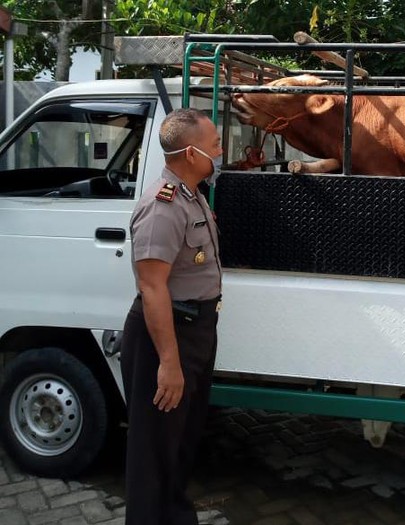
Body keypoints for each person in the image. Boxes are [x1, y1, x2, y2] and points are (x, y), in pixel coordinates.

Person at [120, 107, 224, 525]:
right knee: (153, 452)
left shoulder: (192, 193)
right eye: (215, 145)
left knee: (180, 444)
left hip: (195, 330)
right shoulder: (163, 206)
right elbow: (152, 287)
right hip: (166, 337)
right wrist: (168, 362)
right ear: (191, 152)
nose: (220, 152)